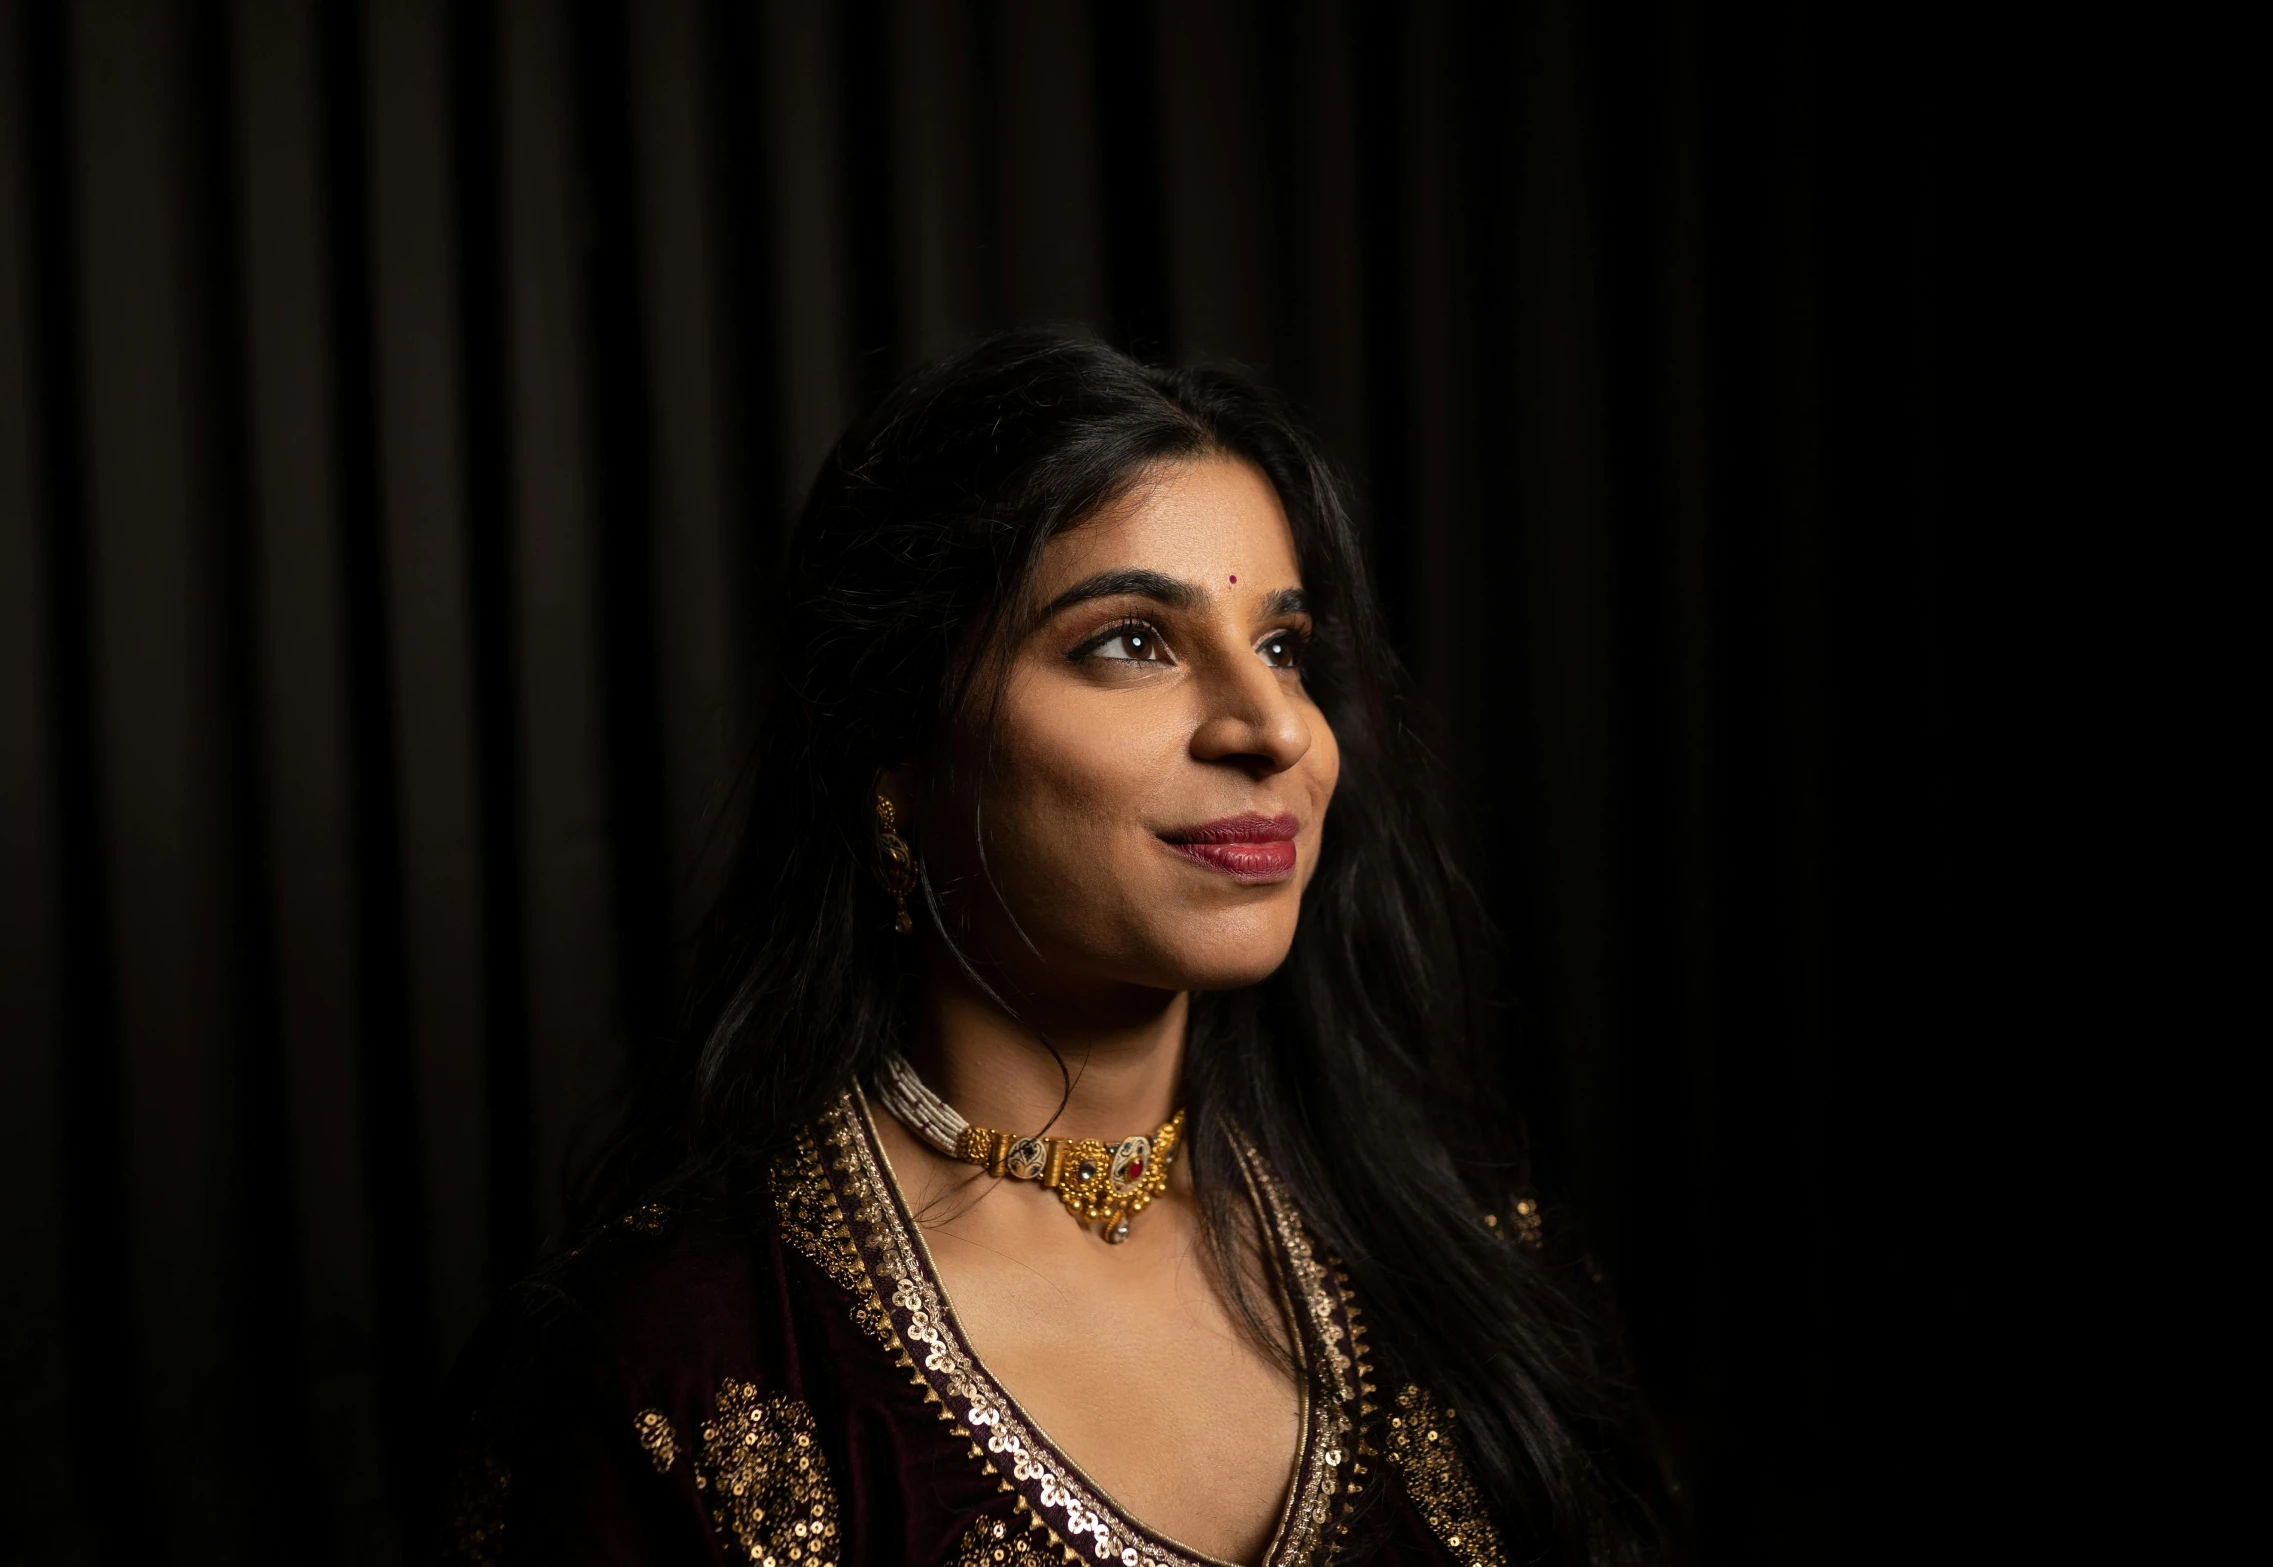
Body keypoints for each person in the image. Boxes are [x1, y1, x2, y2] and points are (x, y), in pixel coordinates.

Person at [438, 333, 1671, 1565]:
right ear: (897, 749)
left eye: (1284, 645)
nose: (1273, 727)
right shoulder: (669, 1364)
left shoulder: (1475, 1255)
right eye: (1131, 640)